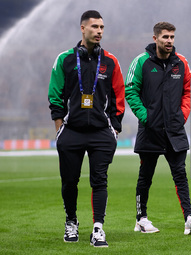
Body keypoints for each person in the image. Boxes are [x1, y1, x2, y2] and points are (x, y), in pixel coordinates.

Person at [48, 10, 125, 247]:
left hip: (101, 133)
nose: (99, 31)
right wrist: (60, 126)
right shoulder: (65, 60)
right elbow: (55, 94)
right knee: (69, 182)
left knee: (99, 181)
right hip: (71, 131)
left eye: (102, 27)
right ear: (83, 28)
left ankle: (98, 228)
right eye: (94, 27)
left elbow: (118, 96)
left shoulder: (111, 61)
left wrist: (115, 128)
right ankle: (71, 221)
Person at [125, 22, 191, 235]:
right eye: (165, 37)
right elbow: (130, 91)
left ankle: (189, 219)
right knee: (146, 176)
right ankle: (141, 219)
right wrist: (146, 117)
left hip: (175, 129)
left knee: (180, 174)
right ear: (155, 39)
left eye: (172, 37)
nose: (169, 41)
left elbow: (189, 90)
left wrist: (182, 116)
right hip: (150, 130)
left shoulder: (181, 63)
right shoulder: (141, 62)